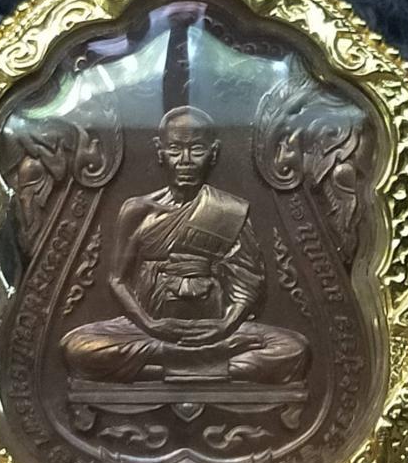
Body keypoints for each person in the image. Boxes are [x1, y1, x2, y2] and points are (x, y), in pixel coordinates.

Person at [61, 106, 310, 383]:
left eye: (197, 150)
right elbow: (117, 280)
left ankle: (162, 368)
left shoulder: (229, 210)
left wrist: (224, 326)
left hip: (216, 330)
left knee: (293, 348)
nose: (186, 160)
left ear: (213, 153)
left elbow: (248, 283)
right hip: (148, 329)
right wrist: (151, 324)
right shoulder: (137, 211)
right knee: (79, 348)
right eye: (175, 149)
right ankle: (204, 367)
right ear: (160, 151)